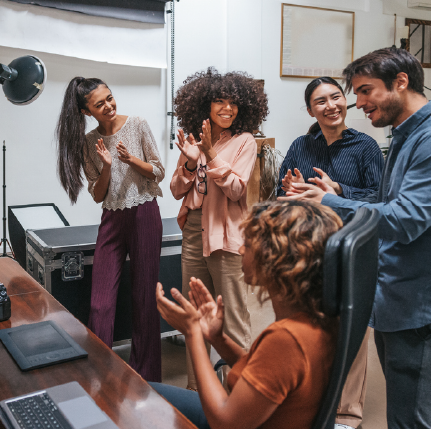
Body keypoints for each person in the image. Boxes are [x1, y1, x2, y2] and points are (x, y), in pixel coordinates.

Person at [282, 47, 431, 428]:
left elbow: (406, 218)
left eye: (365, 90)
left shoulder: (425, 139)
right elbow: (385, 201)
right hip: (393, 296)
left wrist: (330, 198)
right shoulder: (401, 135)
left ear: (400, 82)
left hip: (417, 304)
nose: (357, 102)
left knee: (412, 416)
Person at [153, 200, 342, 429]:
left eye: (248, 245)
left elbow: (224, 422)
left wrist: (193, 333)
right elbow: (265, 373)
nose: (241, 250)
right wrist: (217, 338)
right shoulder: (313, 321)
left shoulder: (287, 339)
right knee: (147, 390)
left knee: (143, 395)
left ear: (277, 260)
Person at [277, 76, 384, 429]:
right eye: (321, 101)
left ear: (345, 102)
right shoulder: (300, 146)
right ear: (311, 110)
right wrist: (290, 188)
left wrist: (338, 189)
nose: (331, 106)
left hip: (353, 250)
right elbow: (281, 189)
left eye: (336, 97)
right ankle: (313, 402)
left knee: (353, 330)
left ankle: (346, 415)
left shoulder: (366, 147)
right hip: (308, 250)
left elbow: (380, 199)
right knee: (315, 328)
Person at [56, 77, 165, 382]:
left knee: (145, 299)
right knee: (99, 303)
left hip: (144, 213)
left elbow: (157, 172)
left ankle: (147, 378)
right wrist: (106, 166)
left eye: (110, 98)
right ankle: (99, 373)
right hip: (112, 219)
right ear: (85, 111)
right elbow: (97, 194)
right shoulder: (88, 143)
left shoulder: (138, 124)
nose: (108, 106)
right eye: (99, 103)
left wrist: (132, 160)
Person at [170, 68, 269, 390]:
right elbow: (176, 190)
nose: (227, 108)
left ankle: (237, 396)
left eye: (233, 103)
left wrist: (210, 154)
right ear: (205, 105)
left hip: (226, 235)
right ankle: (195, 393)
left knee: (232, 320)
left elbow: (236, 190)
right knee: (195, 316)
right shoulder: (195, 136)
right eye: (219, 102)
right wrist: (188, 161)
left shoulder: (245, 141)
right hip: (194, 231)